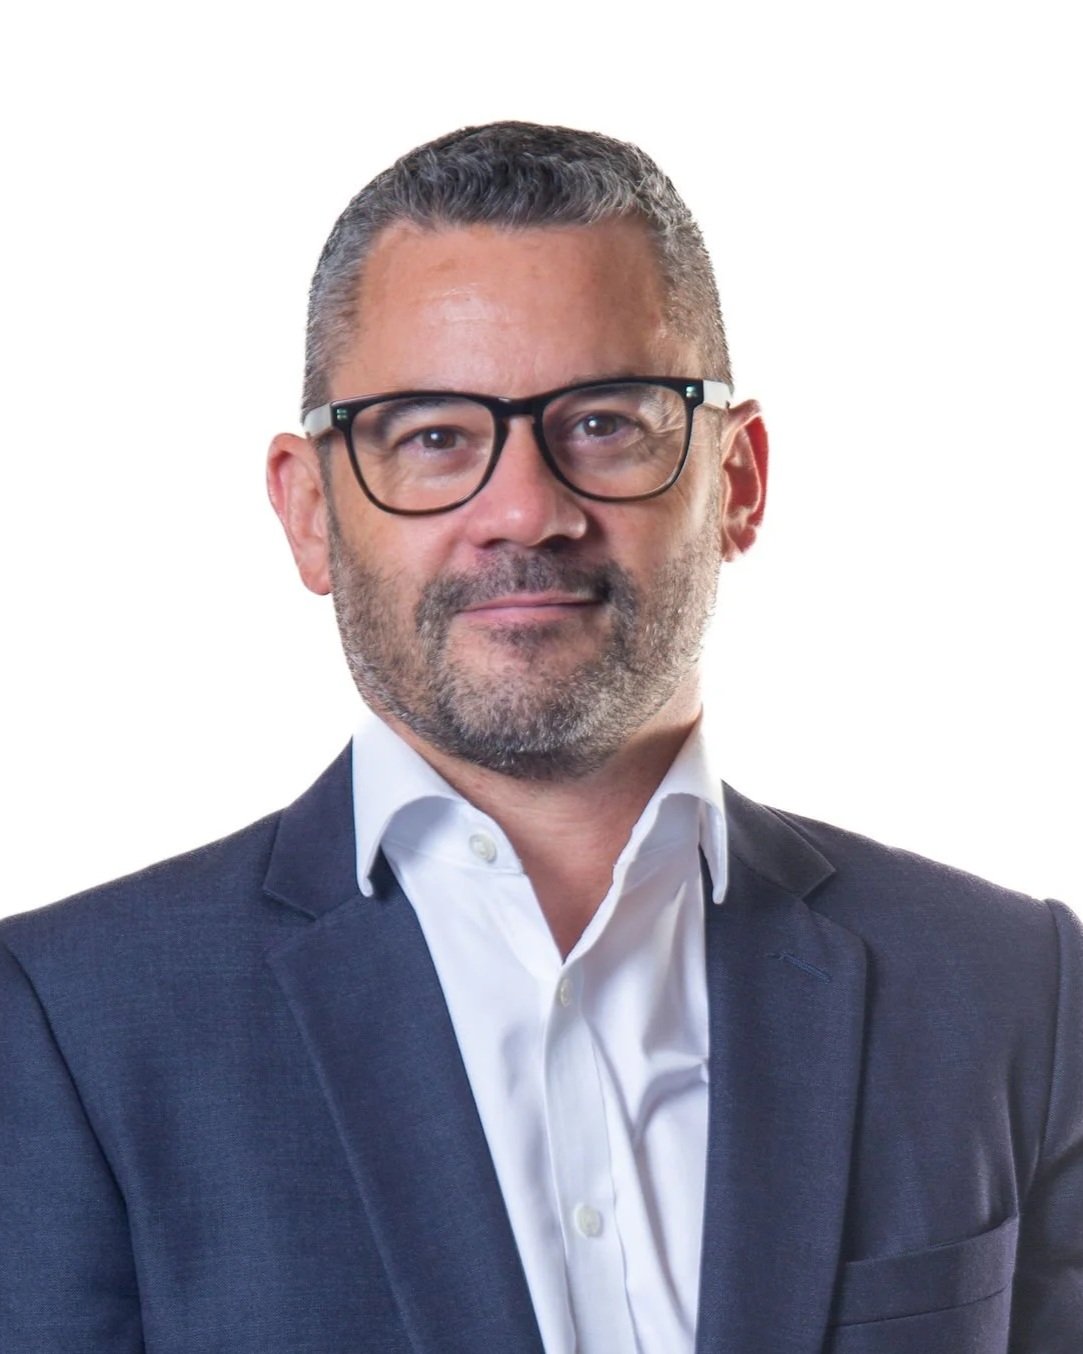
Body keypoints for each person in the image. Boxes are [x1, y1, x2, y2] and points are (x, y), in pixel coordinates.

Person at [1, 122, 1079, 1354]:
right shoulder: (67, 1027)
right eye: (432, 436)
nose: (524, 509)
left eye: (606, 423)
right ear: (308, 510)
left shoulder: (1016, 993)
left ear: (738, 479)